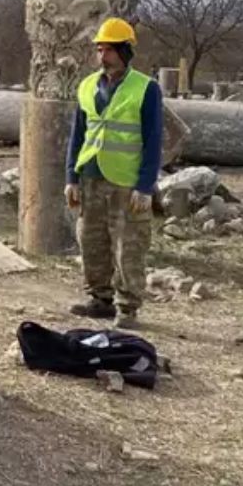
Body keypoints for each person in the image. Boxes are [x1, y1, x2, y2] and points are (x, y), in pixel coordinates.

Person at [64, 17, 163, 328]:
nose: (102, 55)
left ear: (124, 51)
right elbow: (77, 135)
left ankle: (128, 307)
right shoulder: (87, 86)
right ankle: (99, 298)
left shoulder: (146, 89)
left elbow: (153, 139)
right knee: (90, 240)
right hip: (91, 176)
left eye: (108, 49)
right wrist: (71, 177)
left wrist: (145, 186)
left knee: (128, 247)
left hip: (127, 181)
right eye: (99, 49)